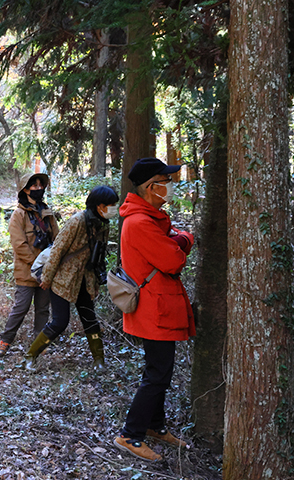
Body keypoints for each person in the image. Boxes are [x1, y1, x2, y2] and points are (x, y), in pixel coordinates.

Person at [113, 157, 194, 462]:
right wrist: (185, 239)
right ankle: (130, 434)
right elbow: (173, 260)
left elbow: (169, 248)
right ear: (151, 187)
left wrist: (176, 241)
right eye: (165, 181)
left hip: (158, 307)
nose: (169, 187)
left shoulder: (150, 217)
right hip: (154, 310)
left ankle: (155, 427)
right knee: (158, 374)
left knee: (159, 371)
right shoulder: (140, 222)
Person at [22, 185, 119, 371]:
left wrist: (97, 282)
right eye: (110, 204)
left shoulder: (102, 225)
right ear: (99, 206)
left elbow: (99, 256)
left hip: (85, 279)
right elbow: (58, 250)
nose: (113, 208)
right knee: (60, 322)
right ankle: (31, 355)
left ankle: (99, 360)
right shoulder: (77, 221)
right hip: (62, 278)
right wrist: (47, 278)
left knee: (89, 319)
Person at [0, 172, 59, 356]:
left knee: (43, 309)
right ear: (25, 189)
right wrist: (37, 264)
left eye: (40, 185)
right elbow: (19, 244)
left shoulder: (47, 212)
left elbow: (57, 238)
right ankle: (5, 341)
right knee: (20, 308)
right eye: (34, 185)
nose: (38, 188)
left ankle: (40, 343)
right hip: (27, 272)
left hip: (47, 271)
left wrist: (51, 264)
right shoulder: (19, 214)